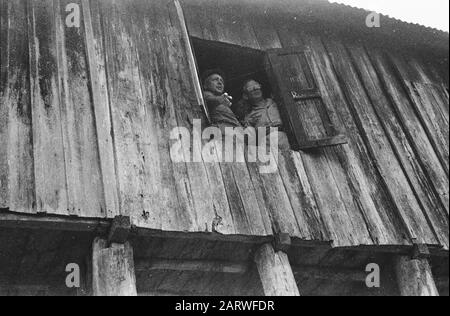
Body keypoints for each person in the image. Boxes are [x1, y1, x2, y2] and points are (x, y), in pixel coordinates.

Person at [241, 79, 290, 150]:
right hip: (267, 145)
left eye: (257, 86)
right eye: (251, 88)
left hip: (285, 138)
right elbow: (250, 140)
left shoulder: (275, 102)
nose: (255, 89)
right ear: (246, 96)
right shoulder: (250, 117)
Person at [202, 69, 242, 134]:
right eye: (215, 80)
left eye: (221, 81)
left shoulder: (222, 101)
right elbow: (208, 100)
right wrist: (220, 99)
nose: (220, 82)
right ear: (205, 85)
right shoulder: (206, 94)